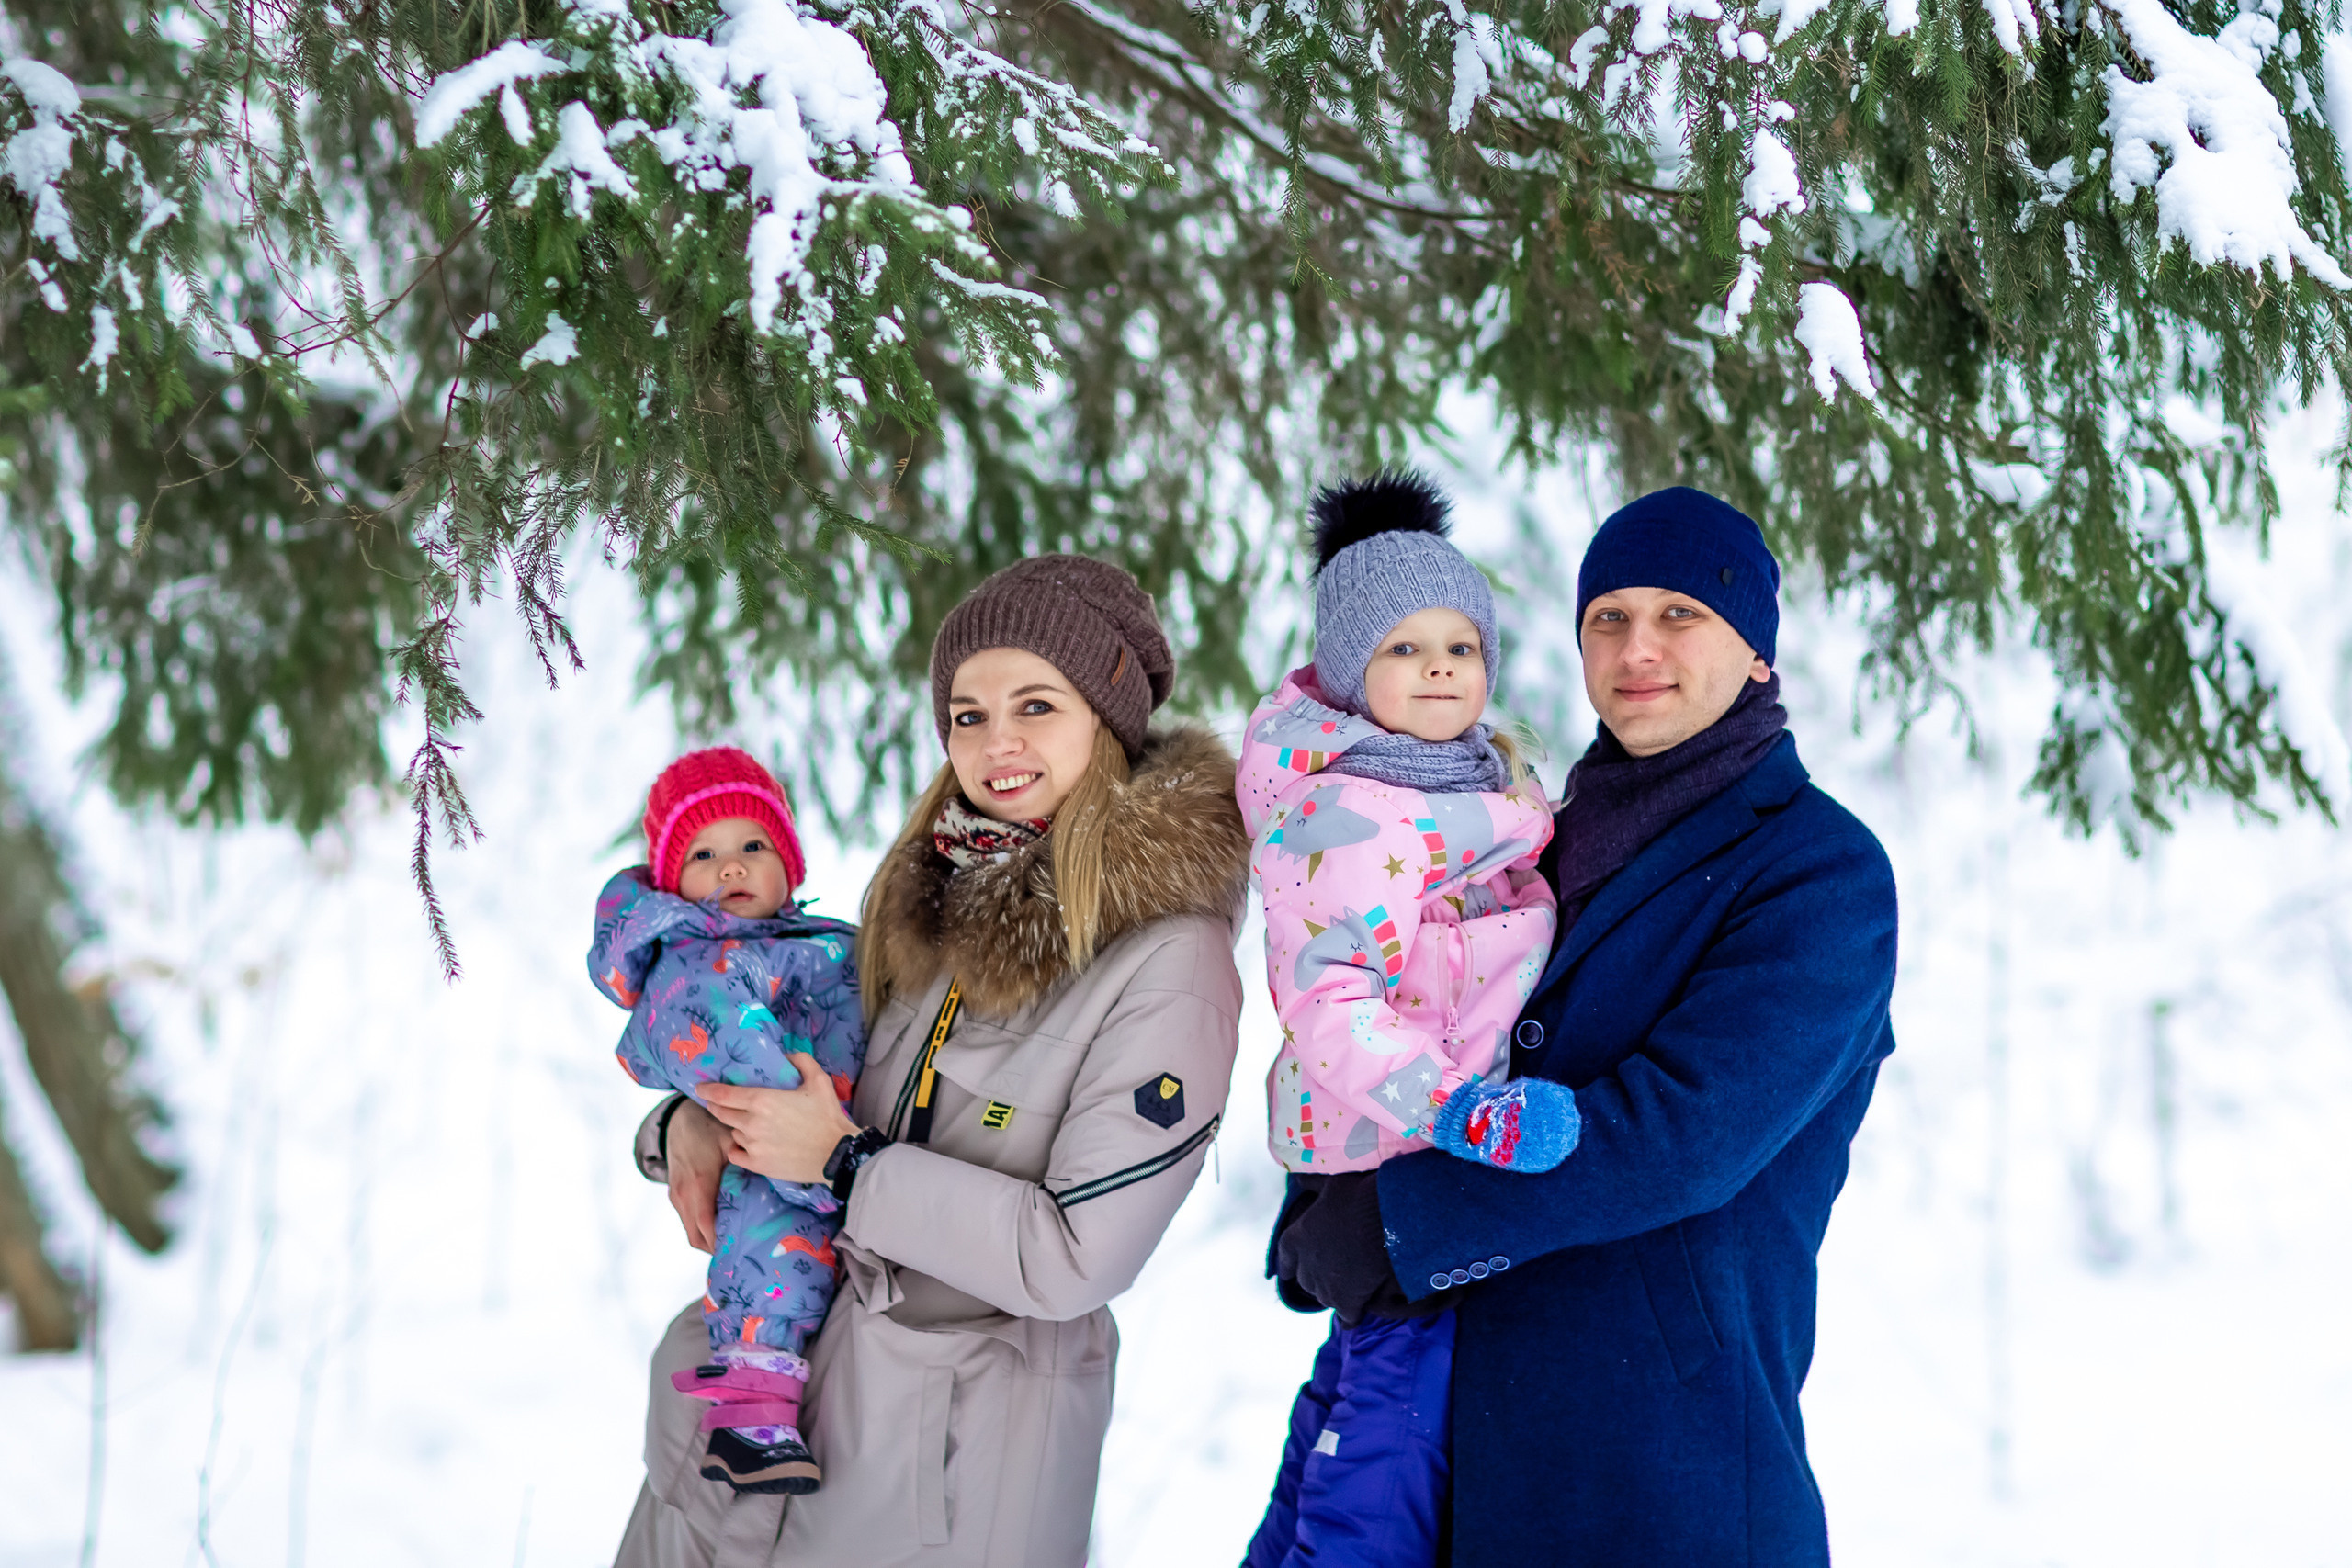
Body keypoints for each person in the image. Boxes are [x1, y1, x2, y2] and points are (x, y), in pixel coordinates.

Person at [1271, 486, 1901, 1565]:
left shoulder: (1817, 869)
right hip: (1456, 1433)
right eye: (1607, 617)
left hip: (1660, 1463)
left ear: (1754, 649)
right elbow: (1405, 998)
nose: (1636, 647)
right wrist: (1325, 1203)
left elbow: (1677, 1136)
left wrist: (1396, 1223)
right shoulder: (1522, 836)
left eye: (1679, 615)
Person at [614, 555, 1254, 1567]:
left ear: (1108, 713)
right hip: (751, 1444)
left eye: (1034, 705)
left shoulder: (1169, 960)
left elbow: (1075, 1255)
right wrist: (687, 1123)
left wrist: (846, 1167)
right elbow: (808, 1071)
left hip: (938, 1481)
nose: (995, 742)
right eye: (966, 714)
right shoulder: (925, 898)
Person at [1237, 474, 1572, 1568]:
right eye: (1402, 649)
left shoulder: (1469, 788)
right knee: (1388, 1437)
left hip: (1421, 1155)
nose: (1438, 668)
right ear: (1346, 672)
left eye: (1459, 646)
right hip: (1402, 1157)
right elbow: (1330, 1005)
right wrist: (1462, 1109)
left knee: (1360, 1396)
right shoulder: (1347, 817)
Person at [589, 747, 862, 1495]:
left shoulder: (818, 941)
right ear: (672, 879)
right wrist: (828, 1169)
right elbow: (737, 1056)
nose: (732, 867)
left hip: (828, 1147)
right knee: (775, 1263)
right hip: (781, 1159)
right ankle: (750, 1418)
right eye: (705, 853)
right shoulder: (691, 963)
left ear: (791, 867)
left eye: (753, 846)